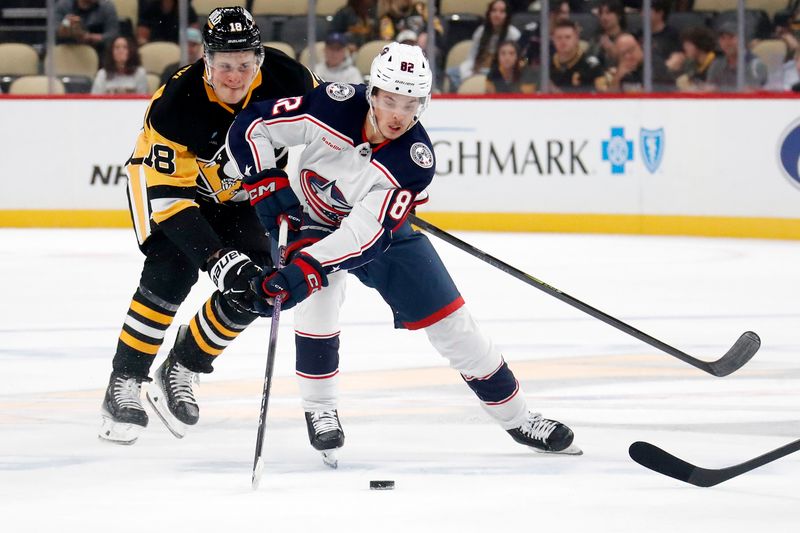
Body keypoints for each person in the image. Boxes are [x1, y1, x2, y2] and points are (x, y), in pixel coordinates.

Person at [224, 43, 579, 466]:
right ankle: (320, 408)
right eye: (389, 99)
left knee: (453, 323)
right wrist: (265, 180)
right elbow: (253, 126)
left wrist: (306, 268)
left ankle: (518, 417)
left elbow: (362, 236)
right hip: (307, 218)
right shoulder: (334, 105)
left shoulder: (413, 161)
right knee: (318, 303)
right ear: (371, 91)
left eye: (410, 104)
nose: (397, 114)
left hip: (378, 234)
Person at [98, 6, 320, 445]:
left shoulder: (289, 79)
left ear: (258, 60)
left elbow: (337, 127)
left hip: (237, 193)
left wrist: (371, 178)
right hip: (174, 194)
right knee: (172, 269)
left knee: (258, 284)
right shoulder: (177, 105)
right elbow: (171, 201)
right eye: (223, 65)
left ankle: (184, 362)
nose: (234, 76)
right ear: (205, 60)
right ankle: (124, 379)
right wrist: (219, 259)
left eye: (244, 65)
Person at [447, 0, 520, 92]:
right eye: (494, 11)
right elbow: (472, 57)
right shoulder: (481, 32)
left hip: (499, 73)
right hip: (479, 69)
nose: (497, 15)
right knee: (451, 72)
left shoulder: (513, 34)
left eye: (501, 12)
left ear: (507, 15)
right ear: (489, 13)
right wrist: (470, 72)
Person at [546, 18, 604, 93]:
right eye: (559, 38)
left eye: (568, 37)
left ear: (576, 39)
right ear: (553, 40)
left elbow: (602, 94)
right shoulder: (546, 64)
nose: (563, 41)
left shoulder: (591, 64)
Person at [706, 22, 767, 92]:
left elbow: (750, 93)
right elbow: (708, 90)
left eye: (731, 37)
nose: (726, 43)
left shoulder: (755, 65)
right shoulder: (716, 65)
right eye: (722, 38)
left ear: (742, 39)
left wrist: (718, 90)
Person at [669, 26, 717, 92]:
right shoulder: (691, 63)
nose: (685, 48)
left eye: (688, 45)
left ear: (700, 44)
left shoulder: (716, 64)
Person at [589, 0, 625, 69]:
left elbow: (631, 64)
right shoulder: (596, 40)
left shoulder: (627, 39)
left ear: (619, 15)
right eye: (601, 13)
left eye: (608, 13)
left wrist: (612, 51)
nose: (603, 17)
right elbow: (589, 63)